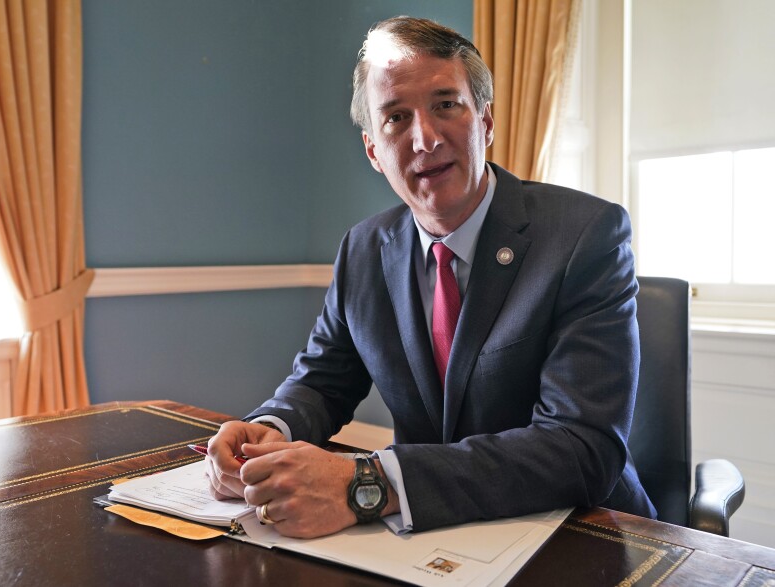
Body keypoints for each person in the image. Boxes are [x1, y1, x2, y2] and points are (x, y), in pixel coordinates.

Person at [203, 15, 656, 539]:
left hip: (581, 531)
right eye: (395, 118)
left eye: (446, 105)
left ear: (485, 121)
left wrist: (370, 482)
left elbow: (582, 447)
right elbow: (322, 382)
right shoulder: (364, 249)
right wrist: (266, 429)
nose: (425, 138)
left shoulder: (585, 234)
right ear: (374, 150)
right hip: (431, 537)